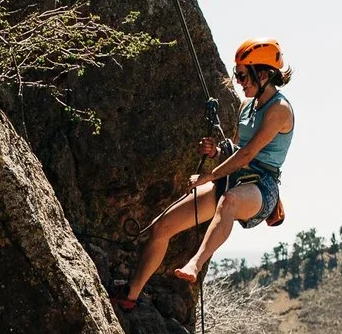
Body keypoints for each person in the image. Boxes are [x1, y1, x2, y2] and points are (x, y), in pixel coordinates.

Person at [112, 38, 295, 311]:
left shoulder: (279, 110)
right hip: (235, 177)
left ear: (265, 74)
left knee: (229, 201)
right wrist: (217, 152)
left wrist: (210, 177)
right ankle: (131, 295)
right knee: (162, 227)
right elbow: (236, 150)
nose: (239, 81)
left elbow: (248, 155)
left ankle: (195, 264)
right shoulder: (248, 106)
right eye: (237, 74)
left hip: (262, 187)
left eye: (244, 75)